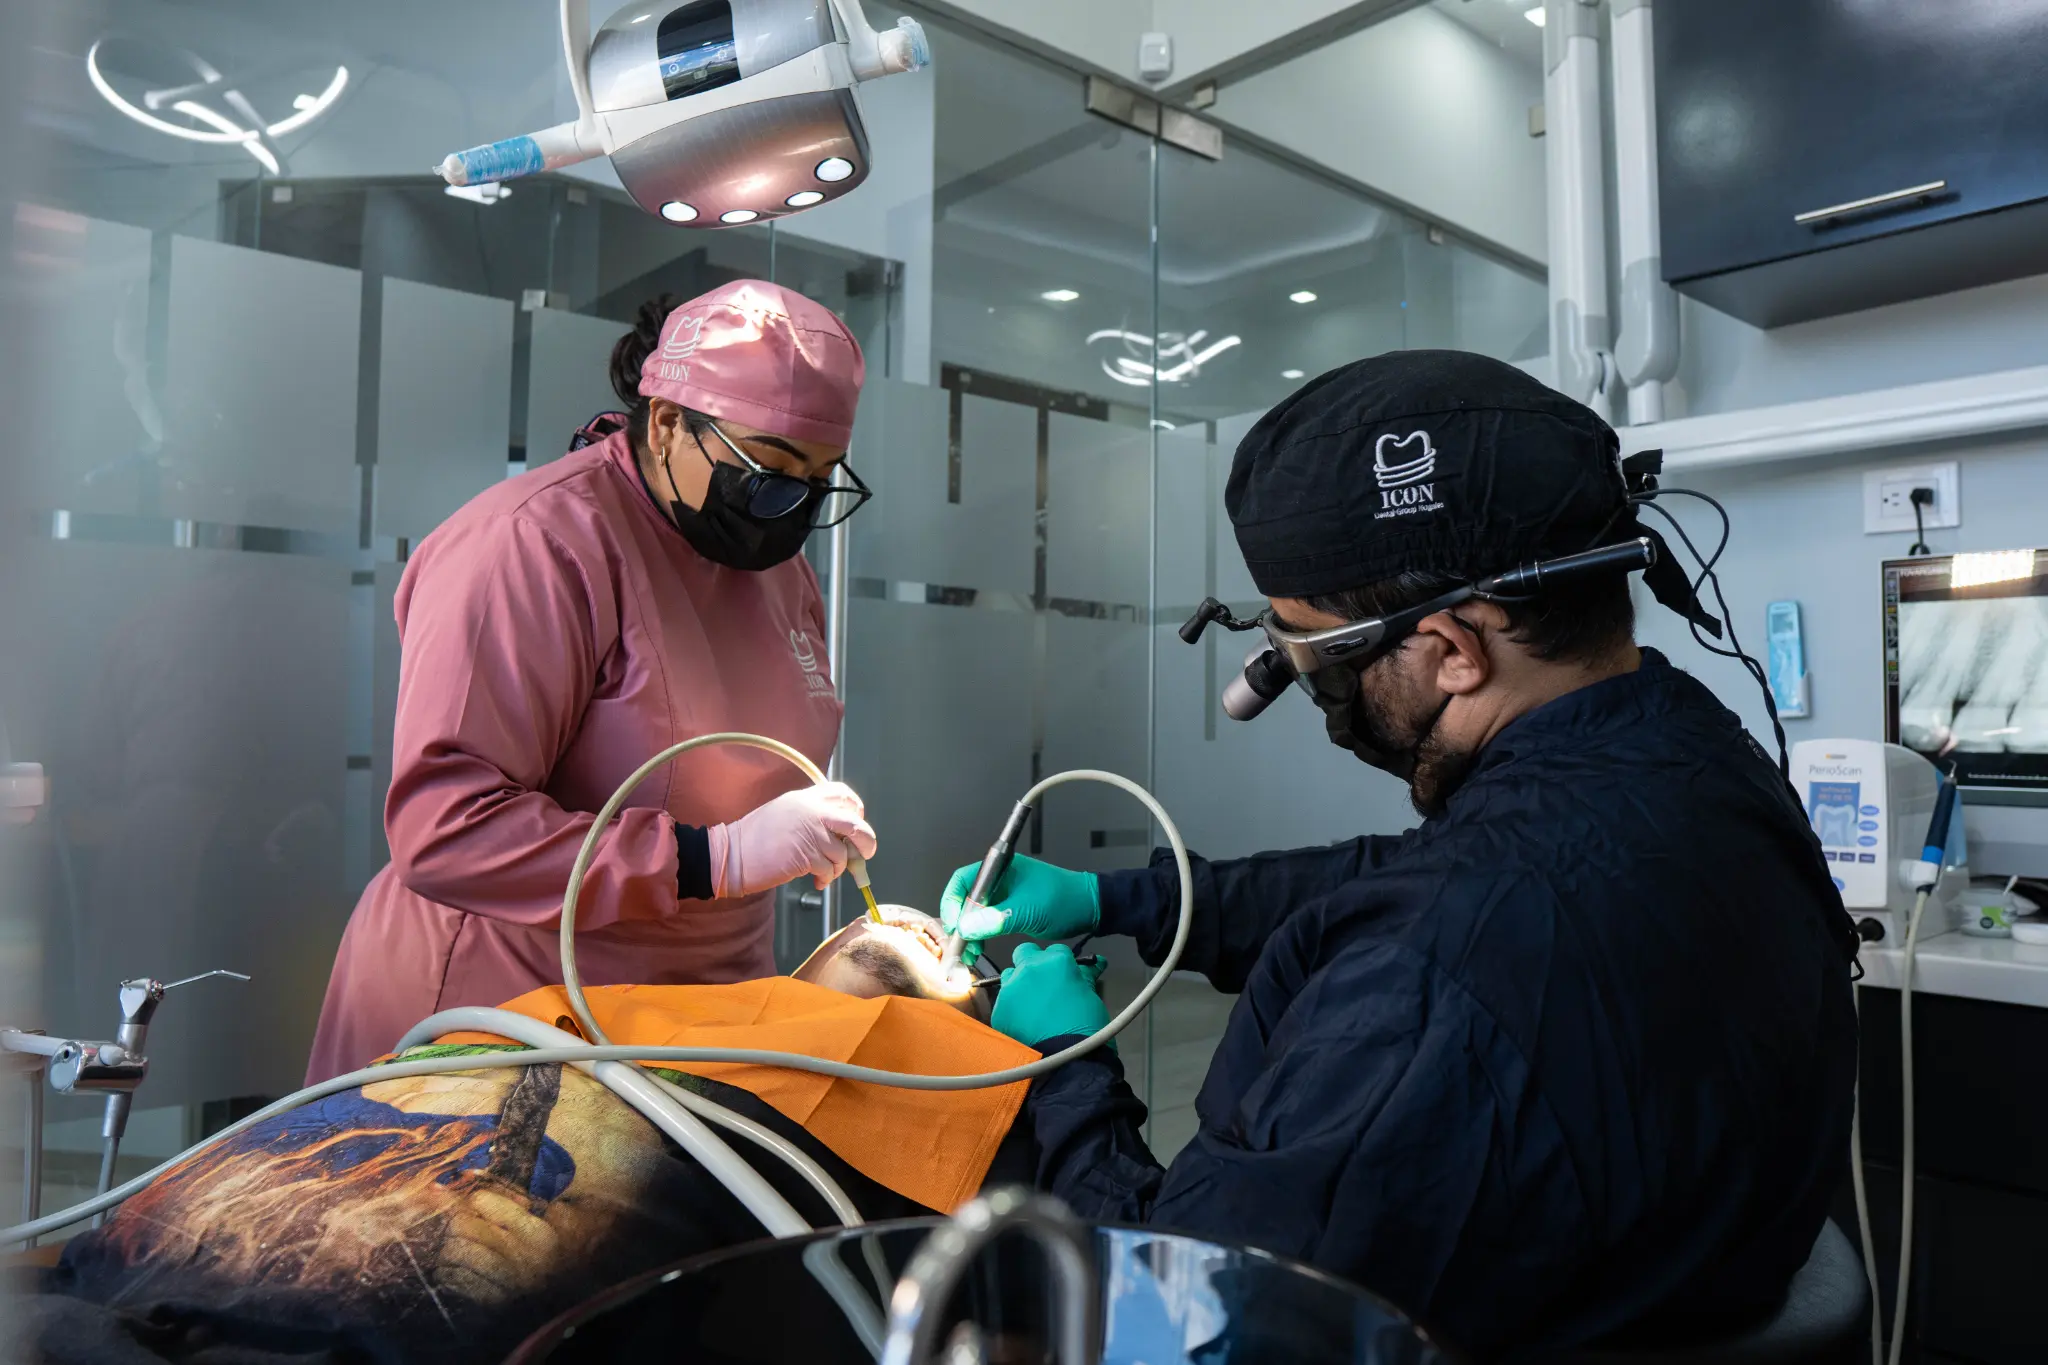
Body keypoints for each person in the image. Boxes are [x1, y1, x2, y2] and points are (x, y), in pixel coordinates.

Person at [943, 352, 1861, 1356]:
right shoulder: (1693, 763)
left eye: (1312, 650)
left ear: (1452, 649)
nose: (1299, 683)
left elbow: (1177, 1330)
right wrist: (1120, 898)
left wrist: (1064, 1072)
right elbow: (1397, 881)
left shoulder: (1434, 985)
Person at [308, 281, 879, 1084]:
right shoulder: (531, 544)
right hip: (505, 1010)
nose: (791, 508)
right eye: (770, 472)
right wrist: (712, 859)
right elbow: (446, 827)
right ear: (671, 420)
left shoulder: (777, 569)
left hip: (697, 1013)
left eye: (819, 480)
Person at [32, 909, 1037, 1365]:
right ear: (803, 952)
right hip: (147, 1261)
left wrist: (1064, 1053)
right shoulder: (607, 1005)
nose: (926, 938)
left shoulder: (958, 1087)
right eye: (911, 924)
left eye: (952, 964)